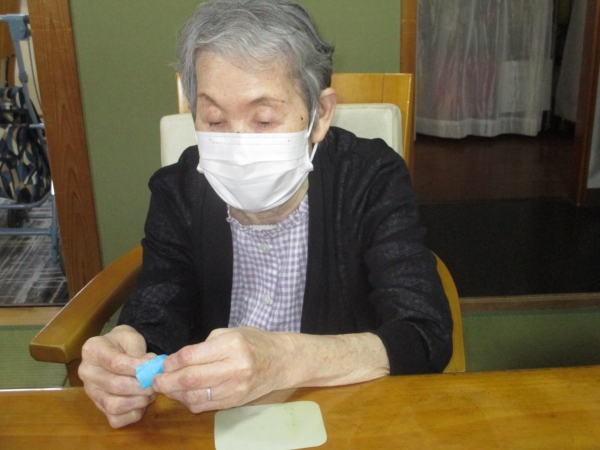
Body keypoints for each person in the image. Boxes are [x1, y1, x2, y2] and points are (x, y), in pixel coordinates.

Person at [79, 0, 453, 429]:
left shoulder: (370, 179)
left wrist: (290, 359)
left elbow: (424, 333)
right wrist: (128, 353)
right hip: (212, 419)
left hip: (342, 415)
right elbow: (159, 312)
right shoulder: (178, 190)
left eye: (263, 120)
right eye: (215, 120)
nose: (238, 146)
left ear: (320, 115)